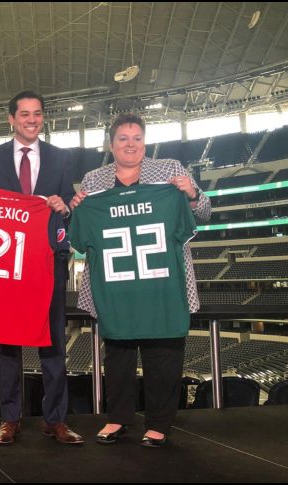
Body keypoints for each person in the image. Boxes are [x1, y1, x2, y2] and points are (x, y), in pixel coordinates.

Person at [69, 113, 211, 447]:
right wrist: (77, 208)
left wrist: (192, 194)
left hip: (161, 282)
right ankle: (118, 418)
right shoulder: (94, 179)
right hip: (115, 284)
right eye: (123, 138)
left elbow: (204, 214)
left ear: (145, 143)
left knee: (163, 351)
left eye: (137, 138)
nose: (130, 144)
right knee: (117, 353)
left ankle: (159, 423)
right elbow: (80, 235)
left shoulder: (170, 170)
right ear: (111, 144)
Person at [0, 90, 83, 445]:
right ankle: (10, 418)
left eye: (37, 113)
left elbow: (68, 202)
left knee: (53, 343)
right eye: (24, 114)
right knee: (8, 344)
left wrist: (63, 205)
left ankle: (56, 419)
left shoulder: (60, 157)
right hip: (8, 264)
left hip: (48, 261)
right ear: (11, 119)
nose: (32, 120)